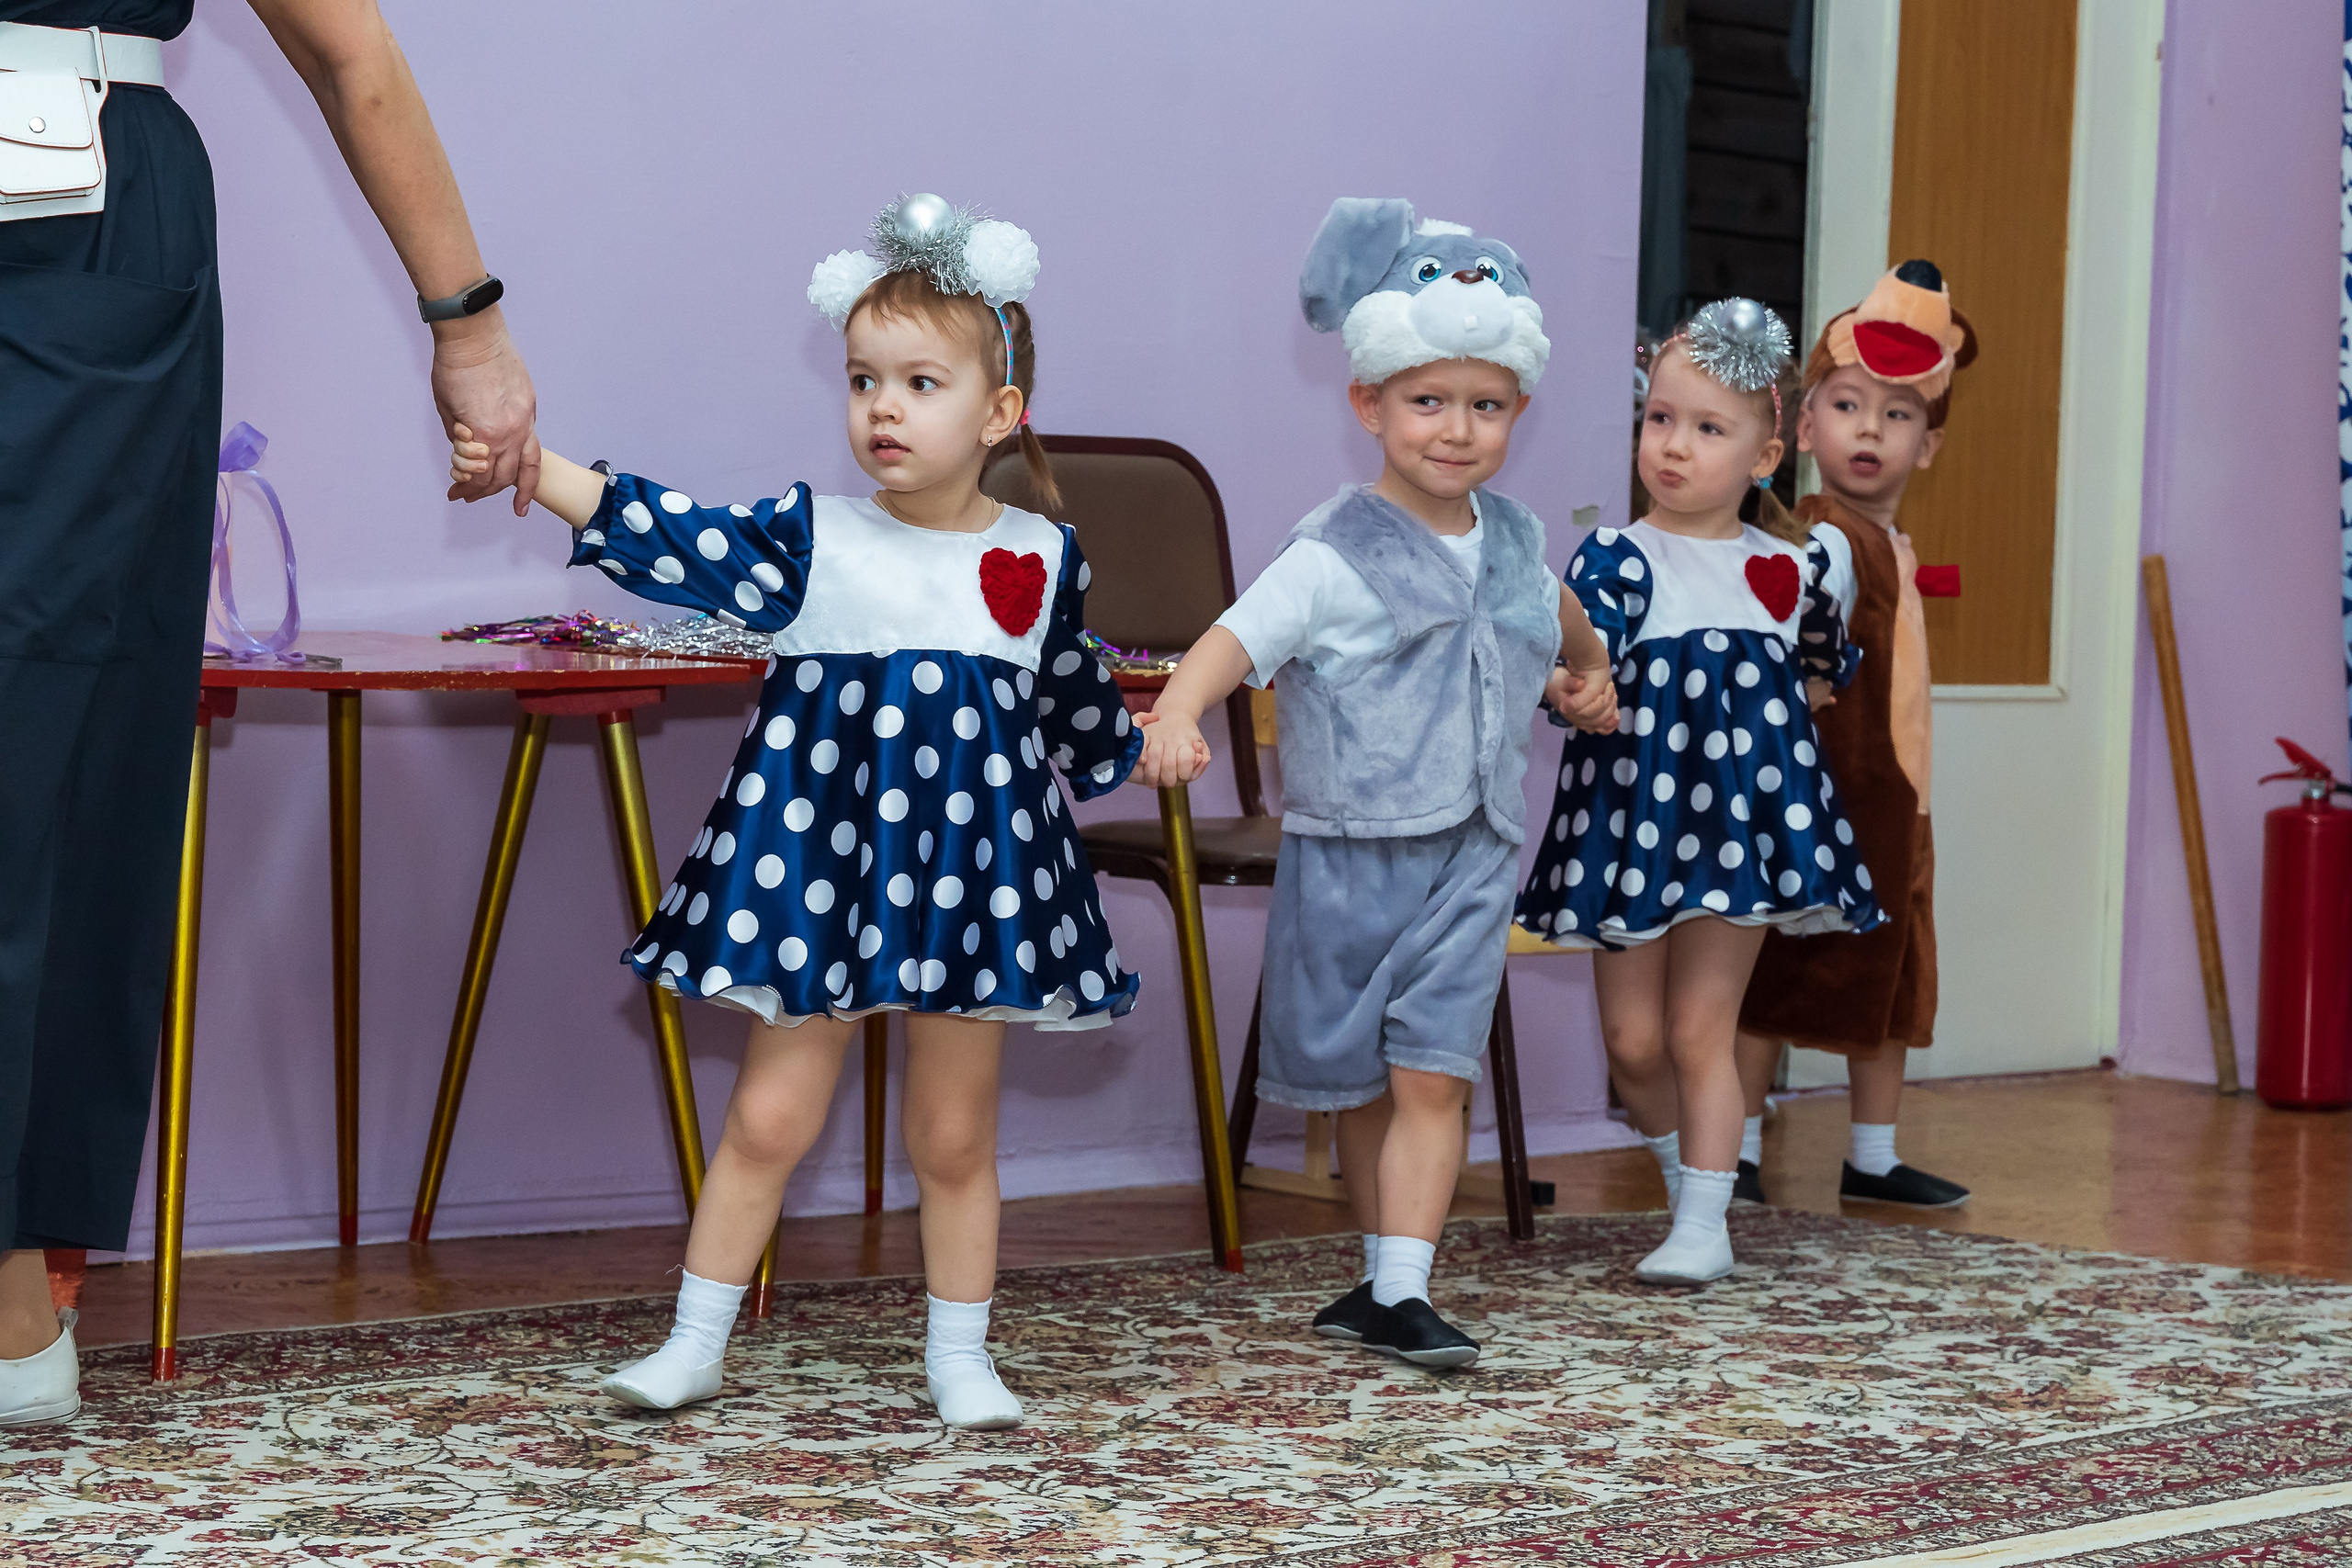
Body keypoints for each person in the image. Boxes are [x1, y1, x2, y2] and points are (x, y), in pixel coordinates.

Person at [453, 195, 1140, 1430]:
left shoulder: (1043, 556)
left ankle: (961, 1355)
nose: (883, 405)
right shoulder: (808, 539)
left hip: (971, 891)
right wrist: (533, 467)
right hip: (822, 875)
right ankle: (695, 1338)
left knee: (952, 1131)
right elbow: (668, 532)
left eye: (920, 381)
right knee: (769, 1115)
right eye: (865, 377)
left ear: (998, 412)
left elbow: (1078, 694)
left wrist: (1143, 746)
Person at [0, 0, 537, 1428]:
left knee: (43, 737)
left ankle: (11, 1277)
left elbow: (345, 46)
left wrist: (466, 322)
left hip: (74, 219)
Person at [1136, 197, 1616, 1369]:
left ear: (1517, 411)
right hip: (1350, 853)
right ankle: (1375, 1277)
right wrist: (1181, 711)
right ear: (1370, 404)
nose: (1457, 430)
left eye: (1487, 406)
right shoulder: (1333, 553)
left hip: (1471, 849)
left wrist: (1587, 680)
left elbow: (1566, 626)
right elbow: (1233, 637)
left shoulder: (1513, 540)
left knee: (1432, 1069)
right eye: (1428, 401)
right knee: (1352, 1077)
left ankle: (1404, 1287)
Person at [1514, 299, 1883, 1287]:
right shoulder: (1617, 558)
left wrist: (1770, 741)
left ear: (1765, 455)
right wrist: (1574, 690)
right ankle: (1690, 1183)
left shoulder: (1790, 564)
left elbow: (1819, 667)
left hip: (1742, 833)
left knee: (1696, 1030)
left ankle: (1706, 1221)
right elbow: (1574, 666)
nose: (1673, 447)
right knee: (1632, 1045)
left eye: (1707, 429)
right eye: (1660, 419)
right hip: (1634, 825)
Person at [1733, 262, 1977, 1210]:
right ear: (1803, 428)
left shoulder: (1890, 545)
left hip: (1892, 802)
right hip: (1821, 800)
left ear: (1929, 446)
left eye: (1897, 414)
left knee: (1892, 972)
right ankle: (1739, 1148)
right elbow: (1799, 623)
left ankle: (1871, 1155)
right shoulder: (1823, 538)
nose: (1869, 428)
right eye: (1845, 405)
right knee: (1775, 971)